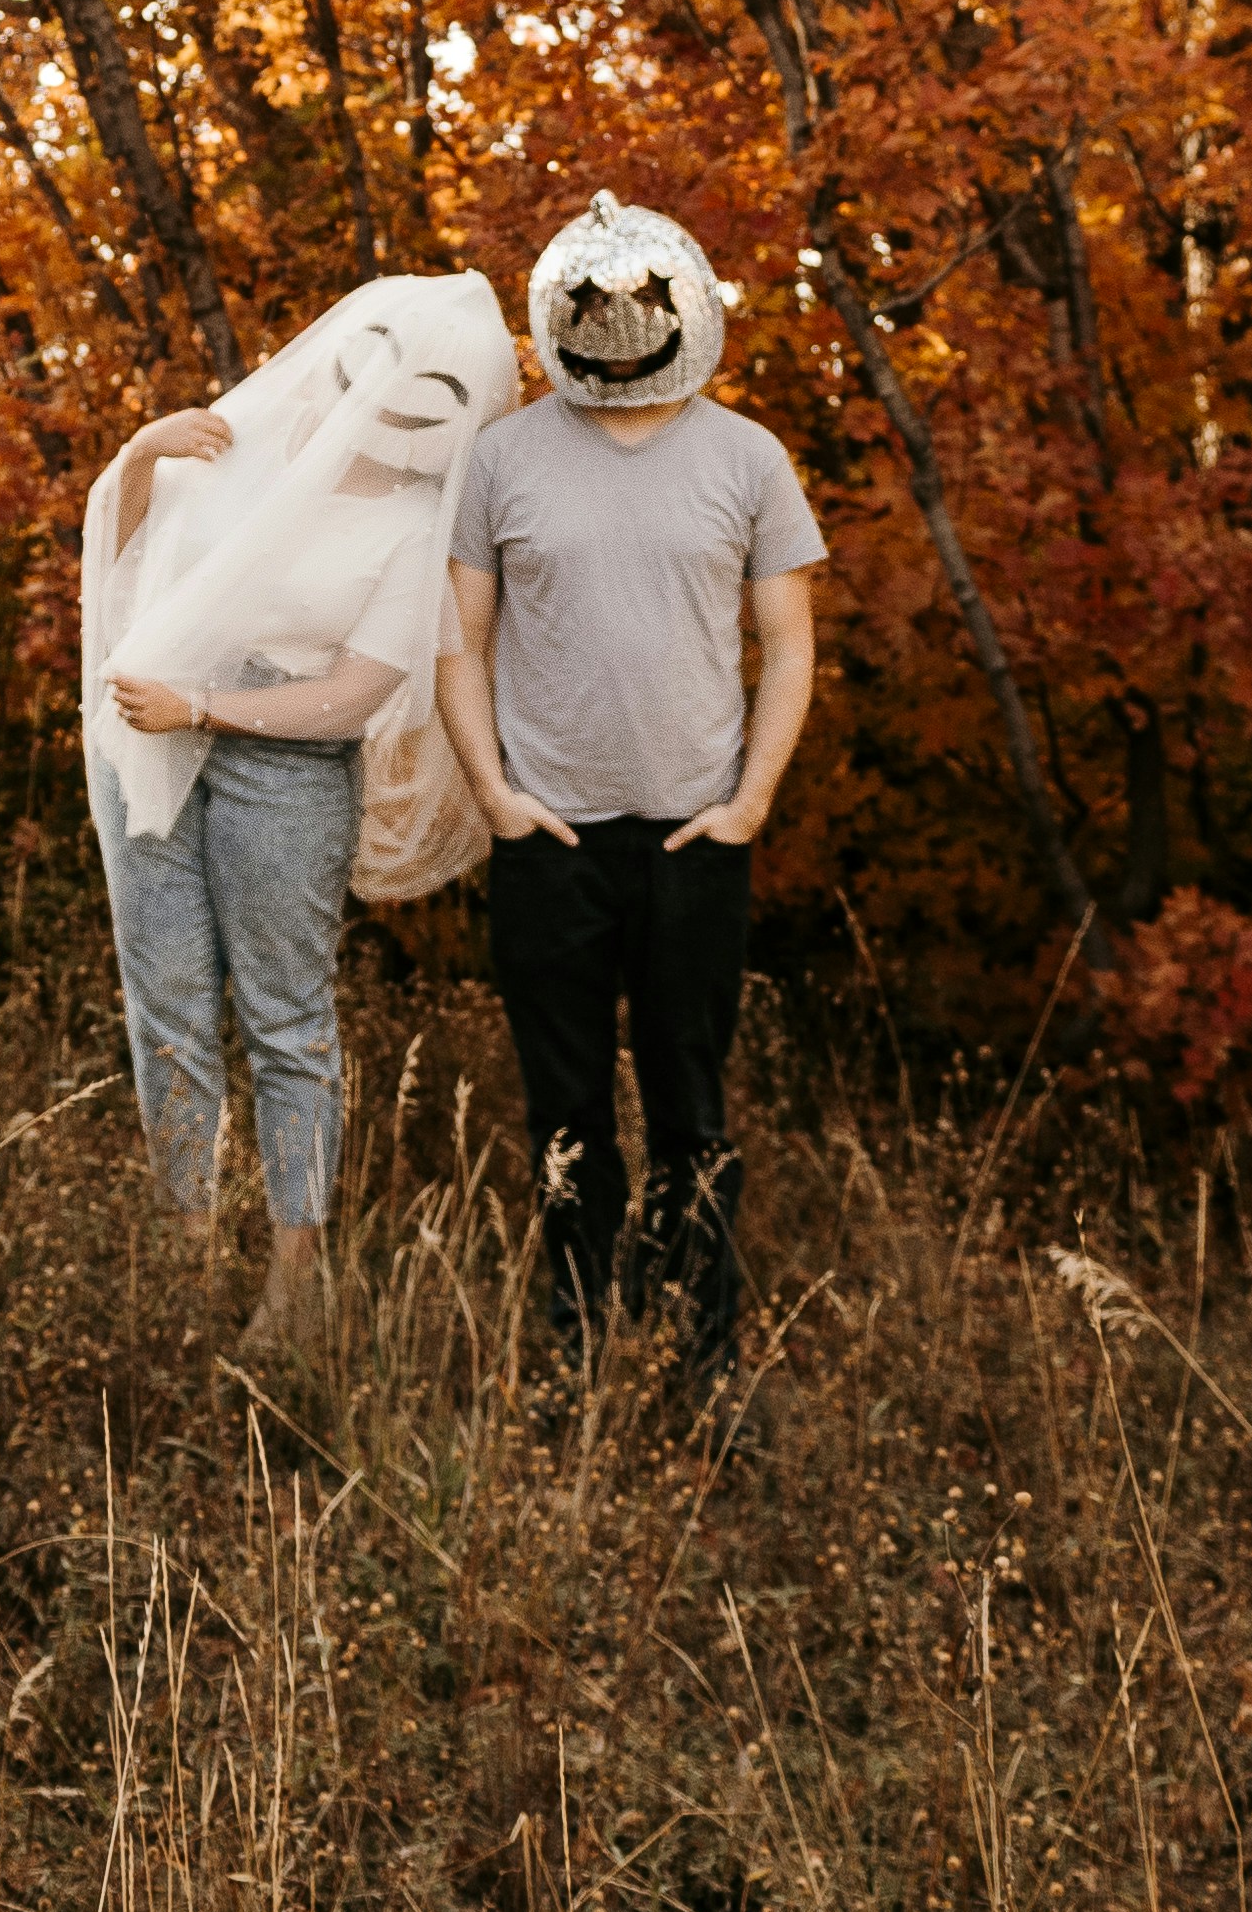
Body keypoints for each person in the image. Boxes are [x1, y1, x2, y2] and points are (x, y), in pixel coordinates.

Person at [79, 269, 517, 1365]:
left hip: (286, 768)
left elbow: (359, 691)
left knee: (286, 1022)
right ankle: (182, 1254)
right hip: (145, 742)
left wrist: (207, 706)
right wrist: (137, 455)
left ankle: (293, 1280)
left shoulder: (420, 523)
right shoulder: (243, 440)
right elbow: (127, 563)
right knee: (165, 1007)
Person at [434, 189, 826, 1377]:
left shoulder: (747, 454)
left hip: (693, 840)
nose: (618, 330)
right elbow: (455, 636)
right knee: (563, 1115)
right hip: (547, 837)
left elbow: (790, 642)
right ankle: (574, 1352)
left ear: (686, 309)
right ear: (558, 317)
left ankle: (703, 1360)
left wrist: (749, 802)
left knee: (691, 1113)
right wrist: (495, 797)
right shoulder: (500, 458)